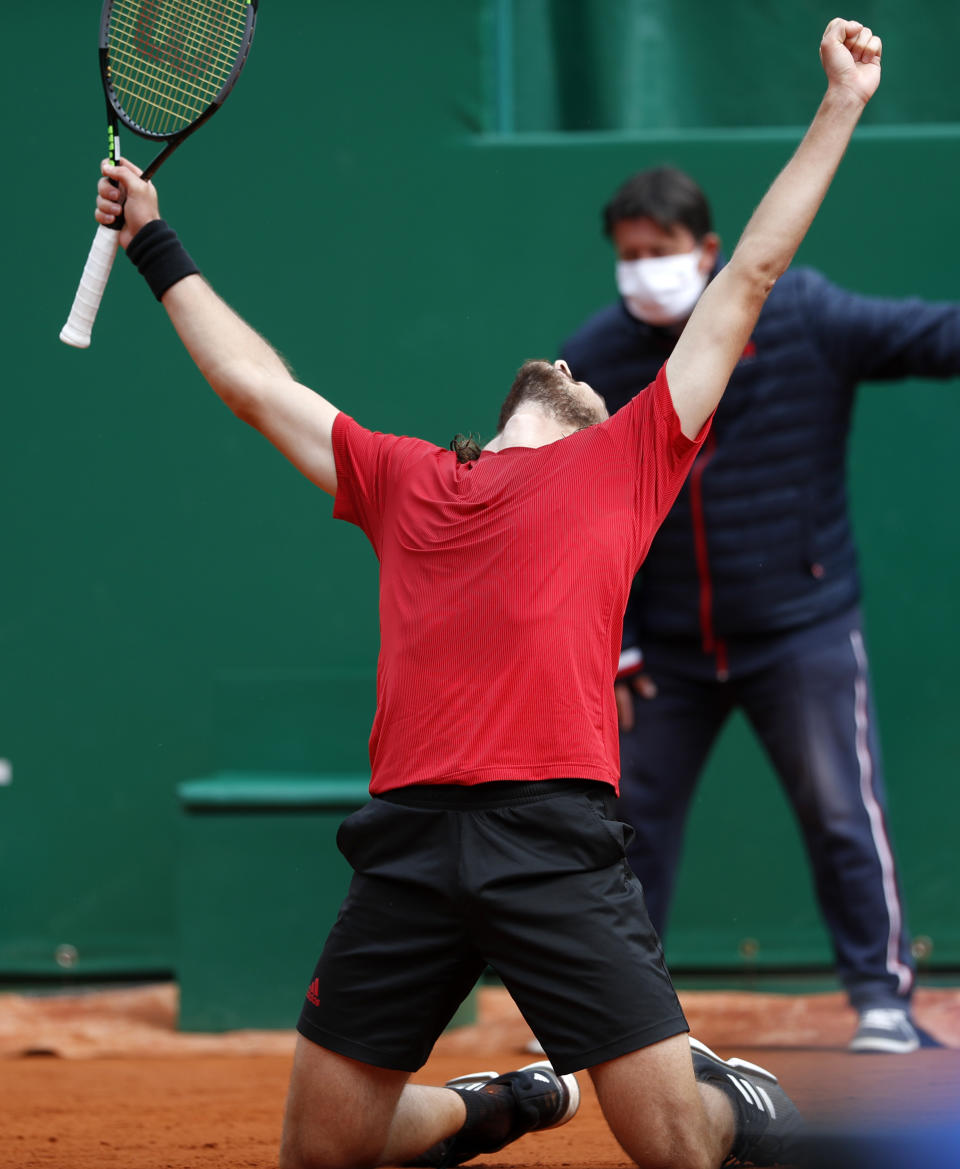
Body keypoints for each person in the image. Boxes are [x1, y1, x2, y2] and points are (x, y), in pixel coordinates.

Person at [94, 18, 880, 1169]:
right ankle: (504, 1102)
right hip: (405, 844)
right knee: (325, 1150)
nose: (570, 365)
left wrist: (842, 103)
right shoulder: (407, 478)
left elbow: (751, 268)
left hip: (552, 841)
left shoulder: (628, 462)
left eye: (588, 380)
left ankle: (740, 1101)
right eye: (565, 366)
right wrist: (156, 242)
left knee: (672, 1142)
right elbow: (255, 386)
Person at [560, 86, 956, 1061]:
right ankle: (621, 1022)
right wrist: (615, 641)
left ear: (709, 249)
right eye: (629, 251)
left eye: (661, 248)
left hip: (801, 625)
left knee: (840, 811)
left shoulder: (807, 315)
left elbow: (929, 334)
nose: (644, 269)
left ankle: (882, 1003)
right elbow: (571, 514)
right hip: (663, 654)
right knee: (628, 835)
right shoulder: (595, 358)